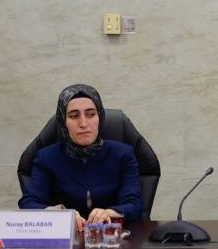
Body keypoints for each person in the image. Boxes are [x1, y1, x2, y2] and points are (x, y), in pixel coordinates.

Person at [19, 84, 143, 231]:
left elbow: (134, 204)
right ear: (63, 122)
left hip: (112, 237)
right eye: (74, 116)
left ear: (100, 117)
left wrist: (111, 213)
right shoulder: (46, 157)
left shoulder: (123, 154)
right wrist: (62, 215)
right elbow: (29, 203)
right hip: (65, 238)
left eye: (90, 114)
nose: (83, 124)